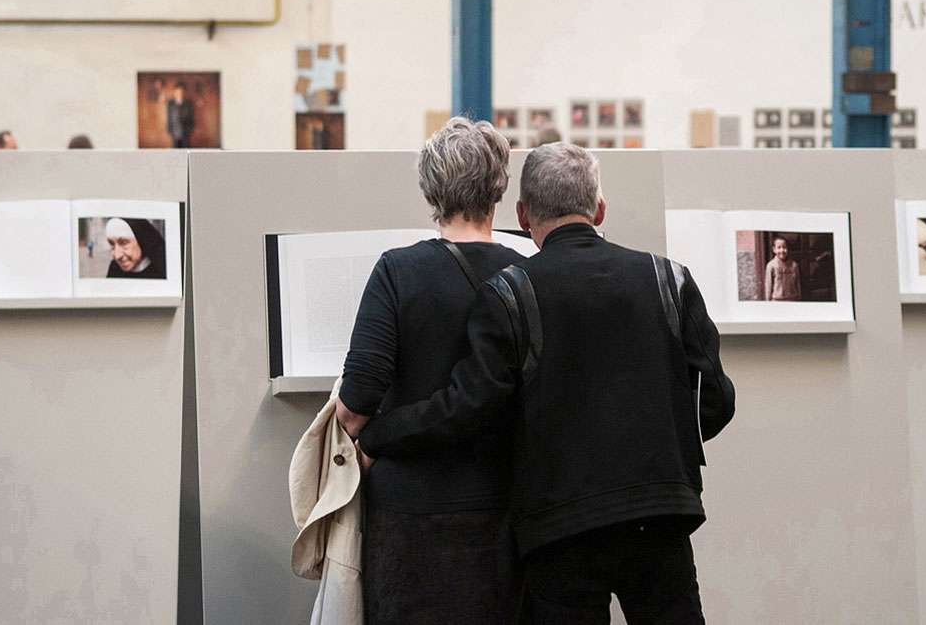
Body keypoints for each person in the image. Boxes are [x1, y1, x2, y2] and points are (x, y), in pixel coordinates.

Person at [356, 142, 735, 625]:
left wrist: (380, 433)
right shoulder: (669, 278)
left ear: (523, 213)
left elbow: (470, 405)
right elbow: (716, 399)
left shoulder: (512, 292)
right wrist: (663, 449)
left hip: (561, 525)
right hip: (659, 512)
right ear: (599, 209)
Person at [334, 117, 525, 625]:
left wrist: (367, 437)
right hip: (501, 504)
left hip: (408, 511)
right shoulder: (527, 273)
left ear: (430, 188)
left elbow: (359, 395)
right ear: (498, 187)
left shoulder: (398, 270)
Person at [764, 236, 802, 301]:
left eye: (784, 247)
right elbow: (768, 285)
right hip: (777, 301)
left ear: (787, 249)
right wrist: (768, 300)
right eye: (779, 248)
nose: (782, 250)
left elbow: (797, 283)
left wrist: (799, 296)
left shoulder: (794, 265)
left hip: (792, 300)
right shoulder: (771, 266)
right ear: (774, 249)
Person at [166, 83, 195, 148]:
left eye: (181, 92)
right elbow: (169, 118)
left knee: (186, 149)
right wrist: (169, 130)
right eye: (177, 92)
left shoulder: (188, 103)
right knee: (176, 151)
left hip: (186, 132)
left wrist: (190, 129)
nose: (179, 94)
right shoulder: (170, 104)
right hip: (175, 132)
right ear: (174, 93)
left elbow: (191, 117)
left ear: (184, 92)